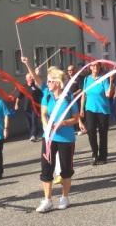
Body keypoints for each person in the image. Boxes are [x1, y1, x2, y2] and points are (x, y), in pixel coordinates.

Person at [36, 67, 79, 212]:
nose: (47, 83)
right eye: (47, 81)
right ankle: (47, 200)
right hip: (48, 138)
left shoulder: (68, 96)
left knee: (66, 170)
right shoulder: (47, 96)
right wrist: (46, 127)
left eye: (50, 81)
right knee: (46, 168)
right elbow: (43, 114)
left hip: (66, 138)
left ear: (57, 82)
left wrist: (64, 123)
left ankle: (64, 197)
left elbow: (76, 118)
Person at [80, 62, 114, 165]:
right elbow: (84, 95)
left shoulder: (103, 79)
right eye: (93, 66)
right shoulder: (86, 79)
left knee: (103, 133)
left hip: (102, 110)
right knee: (90, 131)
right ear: (90, 67)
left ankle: (103, 156)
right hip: (90, 109)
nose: (95, 67)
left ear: (99, 68)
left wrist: (111, 81)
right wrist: (81, 108)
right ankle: (94, 154)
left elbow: (108, 94)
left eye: (97, 66)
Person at [14, 73, 43, 142]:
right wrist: (16, 104)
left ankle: (34, 135)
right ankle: (31, 134)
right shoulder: (24, 87)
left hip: (35, 108)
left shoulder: (36, 86)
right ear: (26, 79)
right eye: (30, 77)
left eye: (32, 77)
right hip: (27, 107)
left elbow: (41, 95)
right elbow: (19, 96)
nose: (31, 78)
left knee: (34, 121)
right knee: (29, 122)